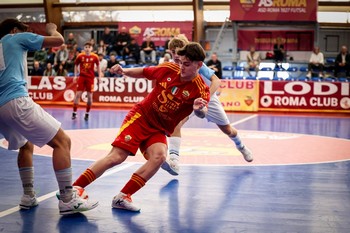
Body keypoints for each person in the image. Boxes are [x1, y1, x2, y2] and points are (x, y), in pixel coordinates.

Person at [70, 42, 210, 212]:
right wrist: (124, 71)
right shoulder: (169, 69)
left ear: (199, 65)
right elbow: (145, 72)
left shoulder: (201, 89)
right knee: (117, 157)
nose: (181, 67)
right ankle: (75, 189)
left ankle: (122, 197)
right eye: (180, 62)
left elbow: (203, 112)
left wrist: (198, 109)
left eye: (186, 64)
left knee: (159, 157)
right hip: (140, 117)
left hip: (159, 129)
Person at [0, 18, 98, 215]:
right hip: (16, 100)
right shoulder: (14, 38)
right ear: (13, 30)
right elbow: (58, 41)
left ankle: (28, 195)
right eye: (22, 30)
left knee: (25, 145)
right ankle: (68, 199)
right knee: (62, 141)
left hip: (1, 107)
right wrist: (53, 29)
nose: (25, 33)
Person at [161, 36, 253, 176]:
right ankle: (174, 161)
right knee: (176, 123)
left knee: (228, 130)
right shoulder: (173, 66)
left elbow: (216, 81)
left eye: (176, 52)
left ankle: (241, 146)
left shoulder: (197, 64)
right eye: (171, 52)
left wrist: (205, 97)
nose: (174, 55)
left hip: (207, 97)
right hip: (188, 99)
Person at [72, 41, 101, 121]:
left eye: (89, 47)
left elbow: (98, 67)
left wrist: (100, 77)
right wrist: (75, 75)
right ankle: (74, 112)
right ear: (84, 48)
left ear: (91, 48)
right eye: (86, 47)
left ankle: (87, 113)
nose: (87, 49)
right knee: (78, 94)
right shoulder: (80, 56)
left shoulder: (95, 57)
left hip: (90, 78)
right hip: (82, 77)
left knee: (89, 96)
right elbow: (76, 65)